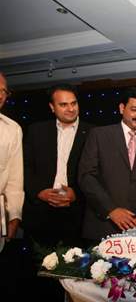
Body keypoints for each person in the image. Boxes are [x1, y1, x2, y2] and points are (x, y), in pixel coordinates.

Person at [78, 87, 136, 241]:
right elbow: (86, 177)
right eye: (134, 109)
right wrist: (111, 210)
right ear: (122, 108)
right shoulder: (99, 135)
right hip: (103, 226)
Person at [23, 85, 93, 249]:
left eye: (73, 103)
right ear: (52, 107)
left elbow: (98, 174)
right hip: (40, 213)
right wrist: (39, 192)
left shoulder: (93, 132)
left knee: (74, 269)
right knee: (38, 267)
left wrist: (76, 194)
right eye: (63, 104)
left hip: (77, 214)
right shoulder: (36, 131)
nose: (70, 109)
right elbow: (25, 166)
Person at [0, 72, 26, 298]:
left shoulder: (12, 129)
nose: (0, 95)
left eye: (3, 90)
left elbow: (15, 180)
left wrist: (14, 216)